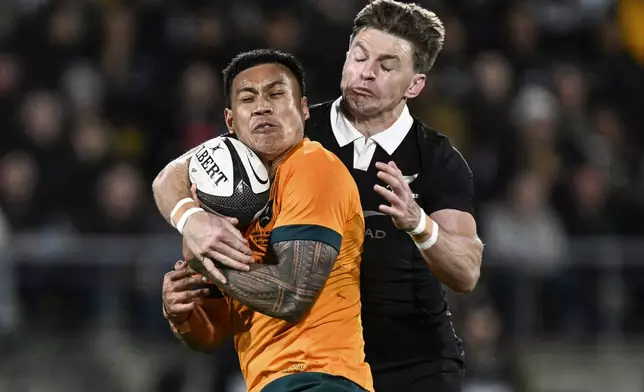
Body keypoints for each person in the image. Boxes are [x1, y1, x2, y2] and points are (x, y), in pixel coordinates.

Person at [153, 1, 484, 391]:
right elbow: (170, 177)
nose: (366, 72)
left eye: (387, 66)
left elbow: (466, 271)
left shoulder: (437, 160)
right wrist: (192, 218)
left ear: (415, 84)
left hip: (414, 362)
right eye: (359, 56)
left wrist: (419, 223)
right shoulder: (290, 130)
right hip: (313, 360)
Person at [157, 49, 373, 392]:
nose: (262, 106)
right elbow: (212, 334)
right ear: (230, 121)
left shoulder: (312, 166)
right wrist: (181, 313)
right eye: (248, 98)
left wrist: (208, 260)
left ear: (303, 108)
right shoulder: (227, 203)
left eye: (276, 94)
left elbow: (292, 294)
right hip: (268, 383)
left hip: (320, 378)